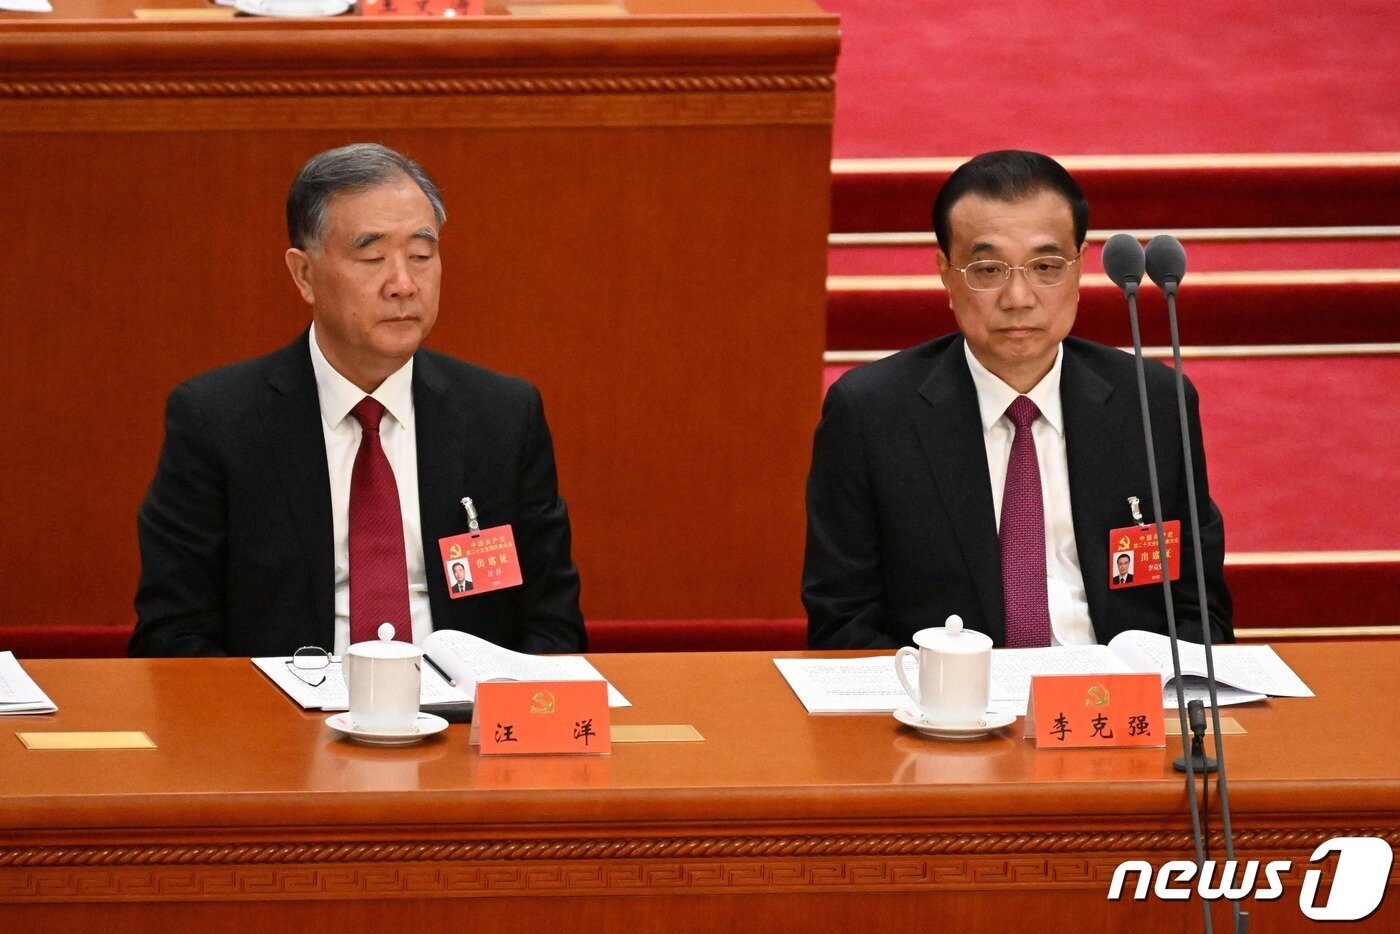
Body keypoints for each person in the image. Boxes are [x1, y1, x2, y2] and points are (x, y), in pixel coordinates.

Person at [131, 143, 584, 657]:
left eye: (421, 255)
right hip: (286, 703)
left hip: (464, 703)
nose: (404, 284)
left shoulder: (502, 416)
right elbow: (172, 637)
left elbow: (553, 626)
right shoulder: (218, 422)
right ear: (304, 275)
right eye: (372, 257)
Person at [803, 150, 1231, 649]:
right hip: (950, 692)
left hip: (1118, 689)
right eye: (988, 270)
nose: (1018, 298)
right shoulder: (871, 413)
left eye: (1046, 266)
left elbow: (1199, 608)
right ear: (946, 273)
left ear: (1079, 268)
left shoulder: (1151, 402)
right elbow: (842, 622)